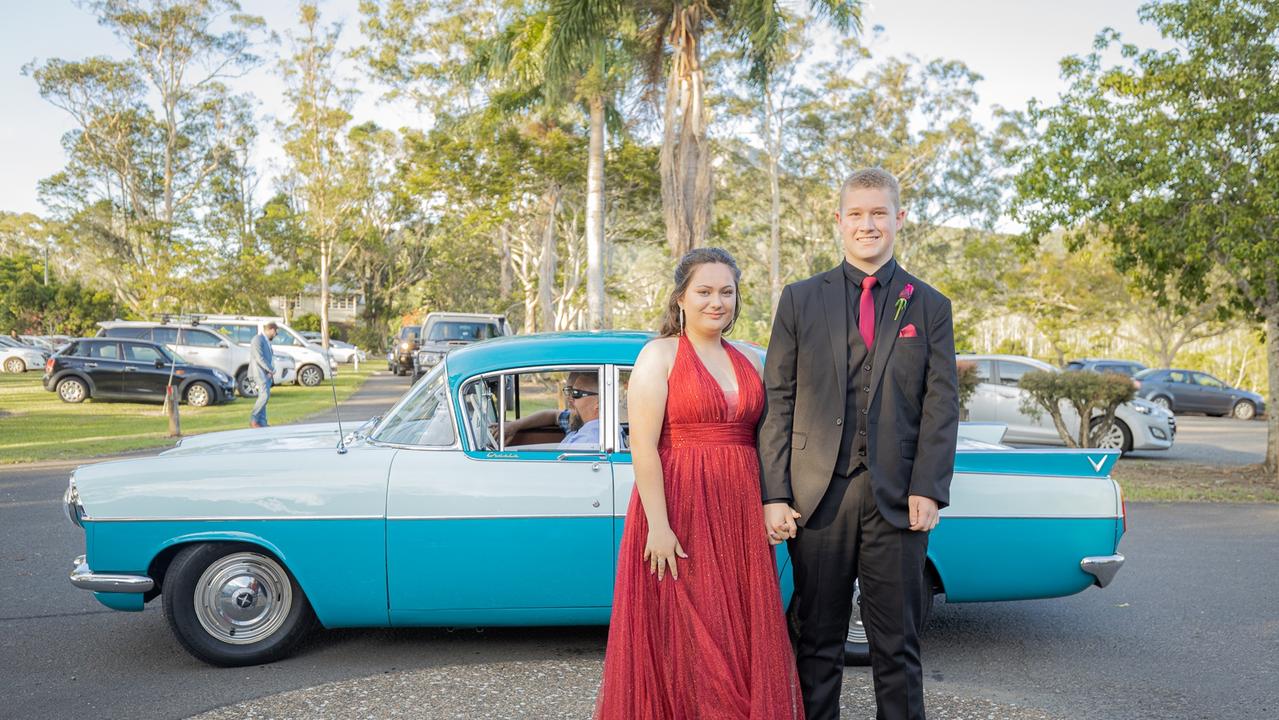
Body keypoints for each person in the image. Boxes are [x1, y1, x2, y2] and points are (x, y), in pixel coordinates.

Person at [759, 168, 959, 720]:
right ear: (838, 222)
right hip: (816, 496)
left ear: (899, 219)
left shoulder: (930, 305)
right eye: (856, 214)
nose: (867, 224)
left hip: (898, 498)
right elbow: (778, 399)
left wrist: (930, 487)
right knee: (817, 639)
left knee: (896, 645)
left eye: (878, 213)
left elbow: (942, 404)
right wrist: (774, 493)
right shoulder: (799, 299)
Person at [595, 248, 803, 719]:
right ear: (681, 299)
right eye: (704, 291)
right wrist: (659, 526)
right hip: (679, 510)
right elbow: (644, 447)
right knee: (687, 631)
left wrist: (776, 500)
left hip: (738, 511)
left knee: (735, 632)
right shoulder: (659, 355)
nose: (717, 302)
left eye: (726, 292)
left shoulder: (747, 358)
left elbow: (769, 435)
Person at [501, 371, 601, 448]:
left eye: (576, 393)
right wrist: (514, 426)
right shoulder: (574, 419)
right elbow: (554, 416)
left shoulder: (588, 440)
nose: (570, 398)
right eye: (568, 391)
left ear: (598, 403)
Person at [250, 322, 278, 428]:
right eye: (276, 332)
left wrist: (269, 372)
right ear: (271, 329)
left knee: (264, 398)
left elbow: (269, 357)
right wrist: (271, 369)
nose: (275, 335)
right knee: (264, 396)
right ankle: (254, 419)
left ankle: (262, 422)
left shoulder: (266, 341)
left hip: (266, 374)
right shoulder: (257, 339)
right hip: (259, 372)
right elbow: (259, 358)